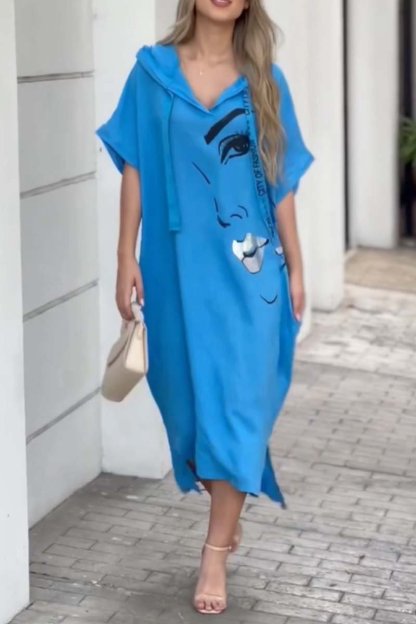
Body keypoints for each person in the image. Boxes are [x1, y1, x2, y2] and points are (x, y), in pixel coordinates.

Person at [96, 0, 314, 615]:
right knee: (190, 404)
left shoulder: (265, 81)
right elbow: (136, 166)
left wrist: (298, 267)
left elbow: (281, 180)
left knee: (240, 405)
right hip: (175, 270)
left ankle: (214, 551)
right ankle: (226, 509)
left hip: (249, 275)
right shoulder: (152, 73)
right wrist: (126, 254)